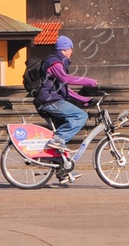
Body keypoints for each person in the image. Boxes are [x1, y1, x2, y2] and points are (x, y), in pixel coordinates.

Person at [33, 36, 97, 169]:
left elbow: (66, 91)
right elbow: (66, 79)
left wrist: (85, 101)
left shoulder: (57, 62)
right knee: (81, 116)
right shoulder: (55, 63)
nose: (71, 52)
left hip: (51, 99)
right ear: (64, 49)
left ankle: (62, 170)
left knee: (62, 138)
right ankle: (57, 140)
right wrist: (89, 81)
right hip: (50, 100)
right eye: (70, 49)